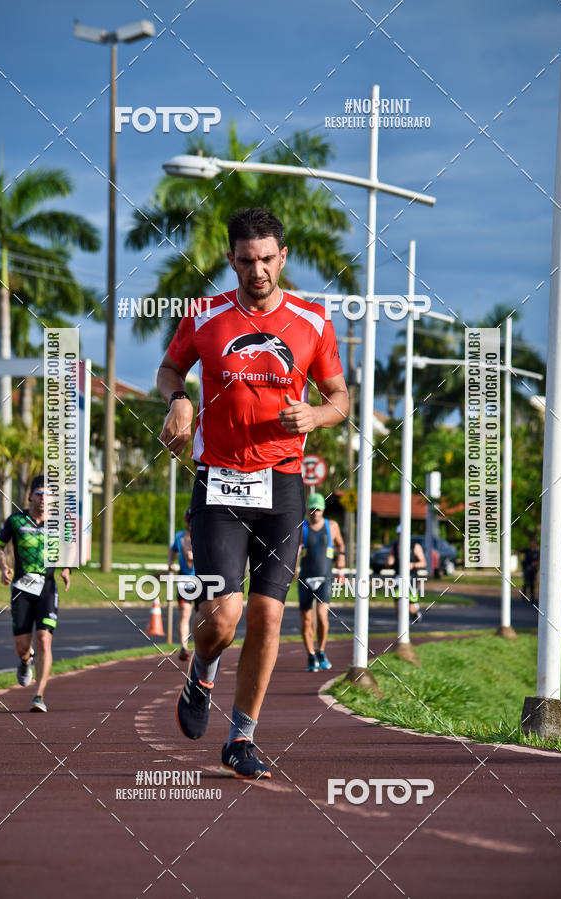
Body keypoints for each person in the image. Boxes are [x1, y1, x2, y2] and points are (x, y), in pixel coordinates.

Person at [157, 207, 348, 779]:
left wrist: (315, 414)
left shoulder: (313, 321)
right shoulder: (205, 315)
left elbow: (340, 398)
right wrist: (179, 400)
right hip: (219, 481)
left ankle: (241, 738)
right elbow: (169, 371)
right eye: (246, 260)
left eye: (267, 259)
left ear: (282, 257)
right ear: (231, 260)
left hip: (282, 486)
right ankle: (201, 673)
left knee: (267, 615)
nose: (257, 270)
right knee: (222, 617)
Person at [0, 475, 70, 712]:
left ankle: (39, 696)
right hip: (21, 588)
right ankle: (25, 661)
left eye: (48, 495)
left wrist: (67, 569)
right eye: (39, 494)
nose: (43, 499)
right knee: (22, 646)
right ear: (30, 496)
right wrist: (3, 567)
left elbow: (69, 548)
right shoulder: (16, 520)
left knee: (44, 640)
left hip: (47, 588)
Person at [297, 492, 345, 672]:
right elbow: (295, 548)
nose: (315, 512)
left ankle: (322, 651)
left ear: (323, 510)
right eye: (312, 509)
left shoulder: (331, 526)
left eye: (318, 509)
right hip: (305, 578)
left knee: (322, 617)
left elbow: (341, 544)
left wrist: (341, 561)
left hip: (324, 578)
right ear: (308, 509)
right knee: (306, 619)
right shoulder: (302, 527)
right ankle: (310, 655)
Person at [168, 508, 195, 661]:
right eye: (189, 520)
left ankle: (201, 647)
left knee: (202, 614)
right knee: (184, 612)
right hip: (184, 579)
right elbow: (172, 550)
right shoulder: (179, 536)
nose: (191, 523)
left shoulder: (204, 536)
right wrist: (170, 563)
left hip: (203, 579)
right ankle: (184, 647)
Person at [386, 526, 426, 625]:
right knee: (398, 602)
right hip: (398, 577)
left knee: (409, 605)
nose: (400, 537)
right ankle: (400, 626)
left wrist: (413, 564)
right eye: (399, 535)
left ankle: (415, 612)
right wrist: (389, 562)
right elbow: (389, 562)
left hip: (411, 578)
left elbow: (423, 563)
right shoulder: (394, 547)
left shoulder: (415, 546)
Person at [522, 537, 539, 604]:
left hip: (533, 570)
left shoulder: (536, 552)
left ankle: (532, 598)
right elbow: (520, 554)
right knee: (526, 583)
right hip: (527, 569)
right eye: (531, 543)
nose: (532, 544)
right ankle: (523, 597)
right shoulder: (527, 551)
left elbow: (539, 560)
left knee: (532, 584)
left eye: (533, 543)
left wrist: (535, 563)